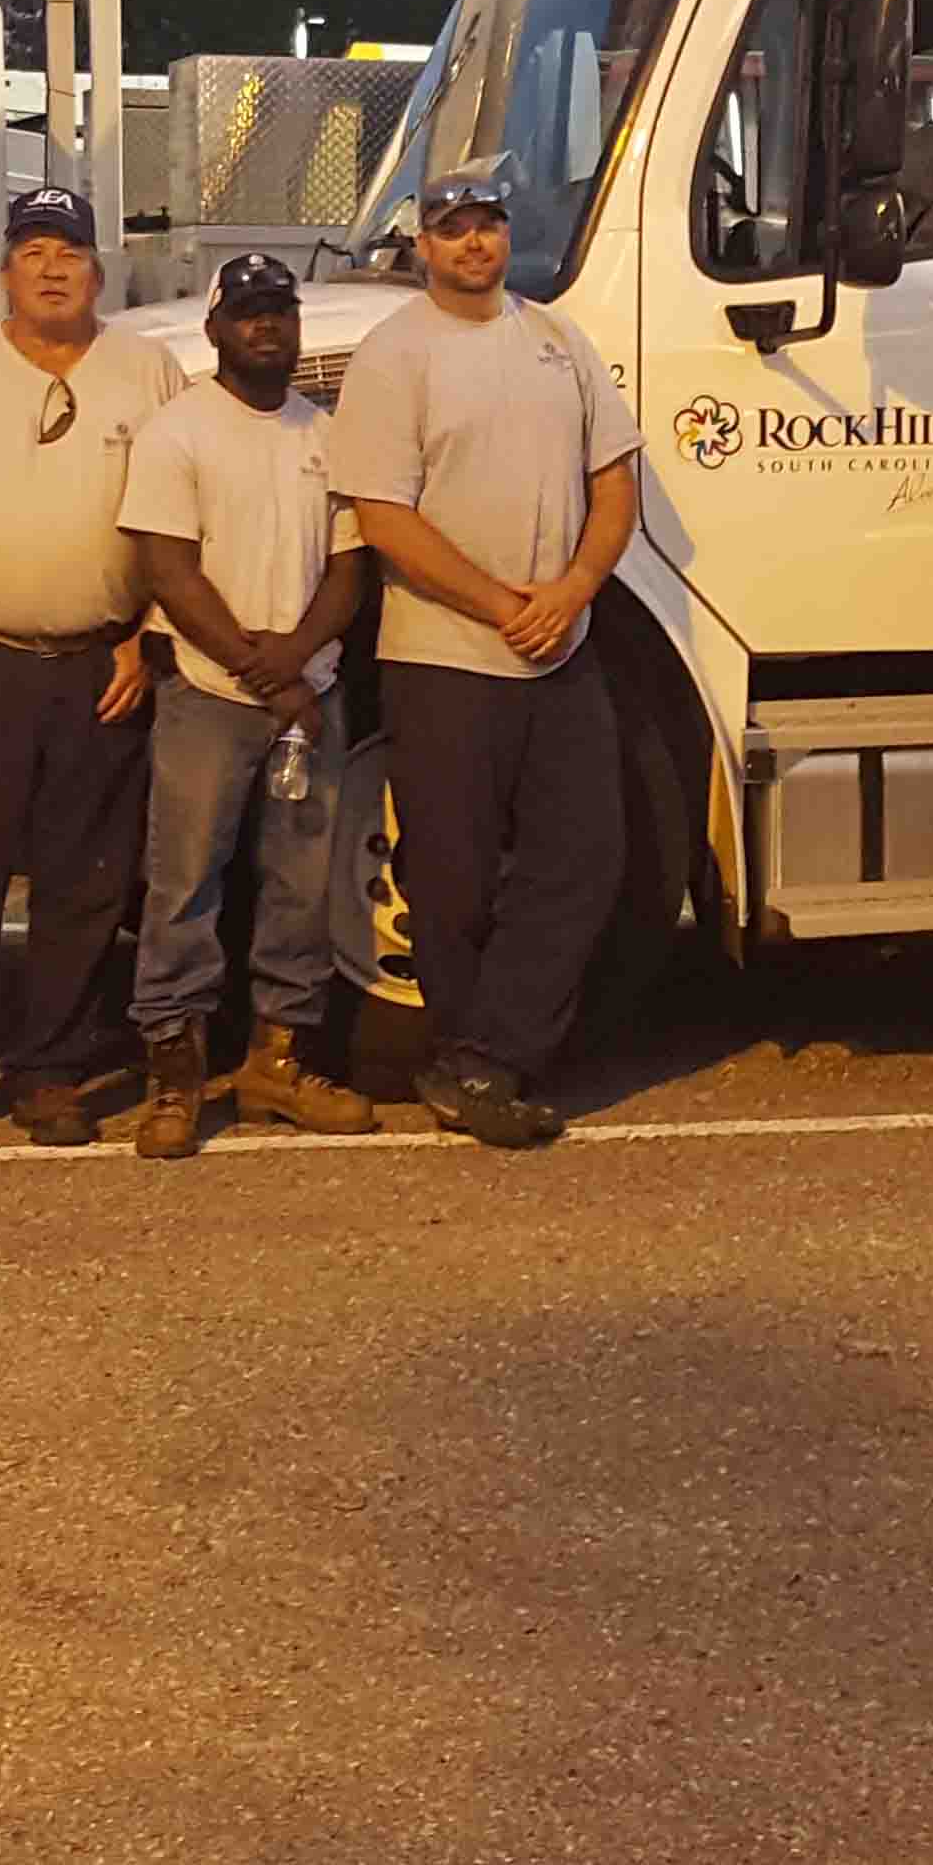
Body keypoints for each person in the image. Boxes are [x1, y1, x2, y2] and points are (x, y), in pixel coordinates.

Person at [337, 172, 643, 1149]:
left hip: (561, 650)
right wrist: (503, 604)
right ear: (421, 246)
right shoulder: (393, 355)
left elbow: (614, 481)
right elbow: (383, 515)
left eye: (487, 225)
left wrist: (572, 591)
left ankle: (487, 1056)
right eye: (452, 230)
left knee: (584, 858)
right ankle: (464, 1054)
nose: (473, 243)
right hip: (443, 657)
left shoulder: (558, 341)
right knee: (451, 876)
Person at [0, 182, 182, 1148]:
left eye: (70, 254)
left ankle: (49, 1070)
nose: (53, 270)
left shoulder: (149, 373)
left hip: (103, 664)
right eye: (33, 253)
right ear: (6, 271)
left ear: (99, 271)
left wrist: (142, 634)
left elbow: (176, 520)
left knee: (84, 883)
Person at [117, 249, 386, 1158]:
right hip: (209, 694)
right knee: (184, 885)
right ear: (215, 329)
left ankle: (278, 1062)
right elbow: (167, 567)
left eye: (279, 311)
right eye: (248, 312)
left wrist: (300, 668)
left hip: (308, 698)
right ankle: (175, 1078)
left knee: (300, 888)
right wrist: (264, 674)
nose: (266, 326)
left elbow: (350, 566)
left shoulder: (328, 435)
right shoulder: (178, 431)